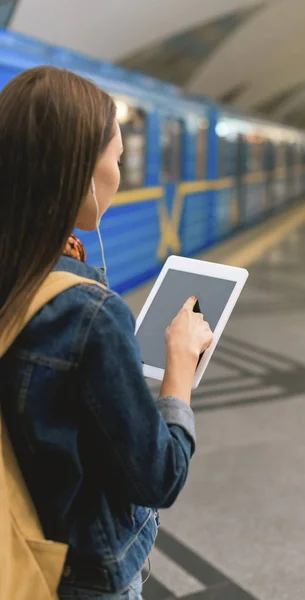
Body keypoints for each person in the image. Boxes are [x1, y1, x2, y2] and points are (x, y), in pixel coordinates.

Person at [0, 66, 213, 599]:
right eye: (118, 159)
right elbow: (157, 476)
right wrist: (180, 365)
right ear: (80, 173)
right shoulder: (86, 312)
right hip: (81, 575)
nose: (120, 172)